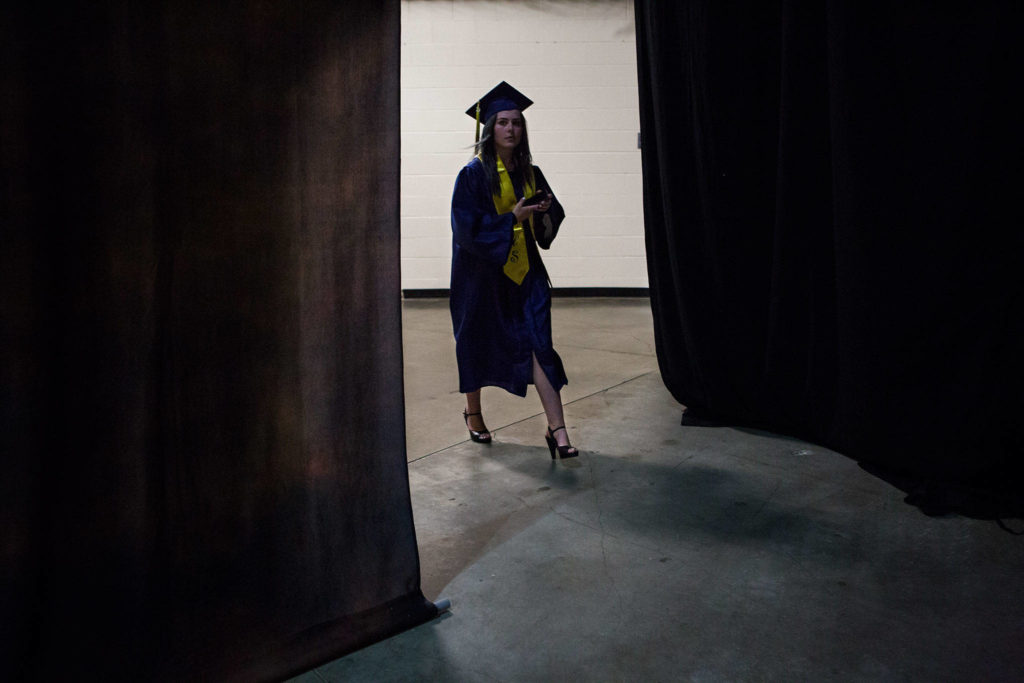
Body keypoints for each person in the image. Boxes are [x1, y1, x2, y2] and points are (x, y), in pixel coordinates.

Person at [449, 81, 579, 459]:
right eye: (503, 122)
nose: (511, 129)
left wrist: (542, 213)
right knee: (474, 342)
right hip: (482, 278)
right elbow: (465, 231)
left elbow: (548, 224)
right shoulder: (472, 176)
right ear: (490, 130)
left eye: (517, 123)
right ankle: (473, 414)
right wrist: (512, 219)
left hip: (526, 276)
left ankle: (559, 432)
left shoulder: (530, 173)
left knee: (539, 344)